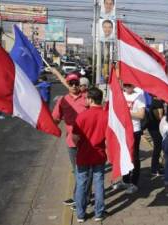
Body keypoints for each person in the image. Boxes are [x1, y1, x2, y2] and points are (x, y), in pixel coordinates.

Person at [72, 87, 108, 223]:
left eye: (87, 98)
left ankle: (80, 215)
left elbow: (75, 138)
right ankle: (99, 213)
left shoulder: (82, 116)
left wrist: (80, 146)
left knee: (81, 183)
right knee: (99, 183)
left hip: (83, 154)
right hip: (99, 154)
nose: (85, 99)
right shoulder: (106, 115)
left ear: (91, 99)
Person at [52, 73, 88, 207]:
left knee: (85, 171)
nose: (74, 86)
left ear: (79, 84)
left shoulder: (86, 98)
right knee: (78, 171)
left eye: (76, 83)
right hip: (71, 141)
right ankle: (82, 197)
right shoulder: (63, 101)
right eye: (71, 83)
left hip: (87, 141)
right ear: (68, 84)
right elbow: (55, 118)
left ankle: (80, 198)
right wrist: (47, 123)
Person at [122, 83, 146, 194]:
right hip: (122, 130)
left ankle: (134, 183)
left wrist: (126, 112)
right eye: (125, 84)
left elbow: (141, 115)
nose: (127, 87)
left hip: (134, 130)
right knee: (124, 156)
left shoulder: (139, 96)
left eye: (129, 85)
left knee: (134, 156)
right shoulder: (121, 95)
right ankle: (125, 180)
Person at [148, 96, 165, 176]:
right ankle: (154, 169)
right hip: (156, 129)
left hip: (152, 128)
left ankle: (156, 166)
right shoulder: (158, 103)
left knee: (157, 148)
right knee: (157, 148)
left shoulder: (153, 102)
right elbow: (159, 117)